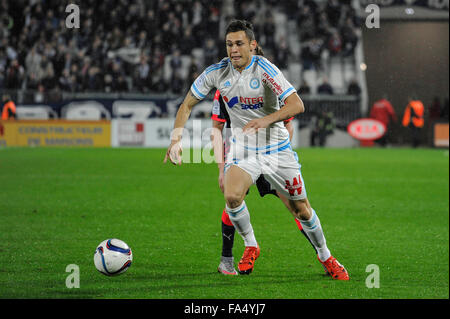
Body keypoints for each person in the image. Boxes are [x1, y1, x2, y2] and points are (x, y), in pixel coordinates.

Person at [164, 20, 349, 280]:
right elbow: (186, 105)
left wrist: (266, 119)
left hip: (277, 149)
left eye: (239, 43)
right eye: (229, 44)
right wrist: (175, 140)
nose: (233, 50)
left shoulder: (265, 69)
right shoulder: (218, 72)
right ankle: (251, 244)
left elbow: (297, 105)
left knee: (302, 210)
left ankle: (326, 256)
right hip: (244, 149)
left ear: (252, 45)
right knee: (232, 197)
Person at [211, 46, 326, 276]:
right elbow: (217, 128)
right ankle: (228, 260)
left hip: (272, 156)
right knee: (232, 201)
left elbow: (288, 124)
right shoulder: (224, 88)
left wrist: (277, 158)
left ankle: (324, 257)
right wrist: (222, 169)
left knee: (297, 208)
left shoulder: (272, 85)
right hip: (244, 157)